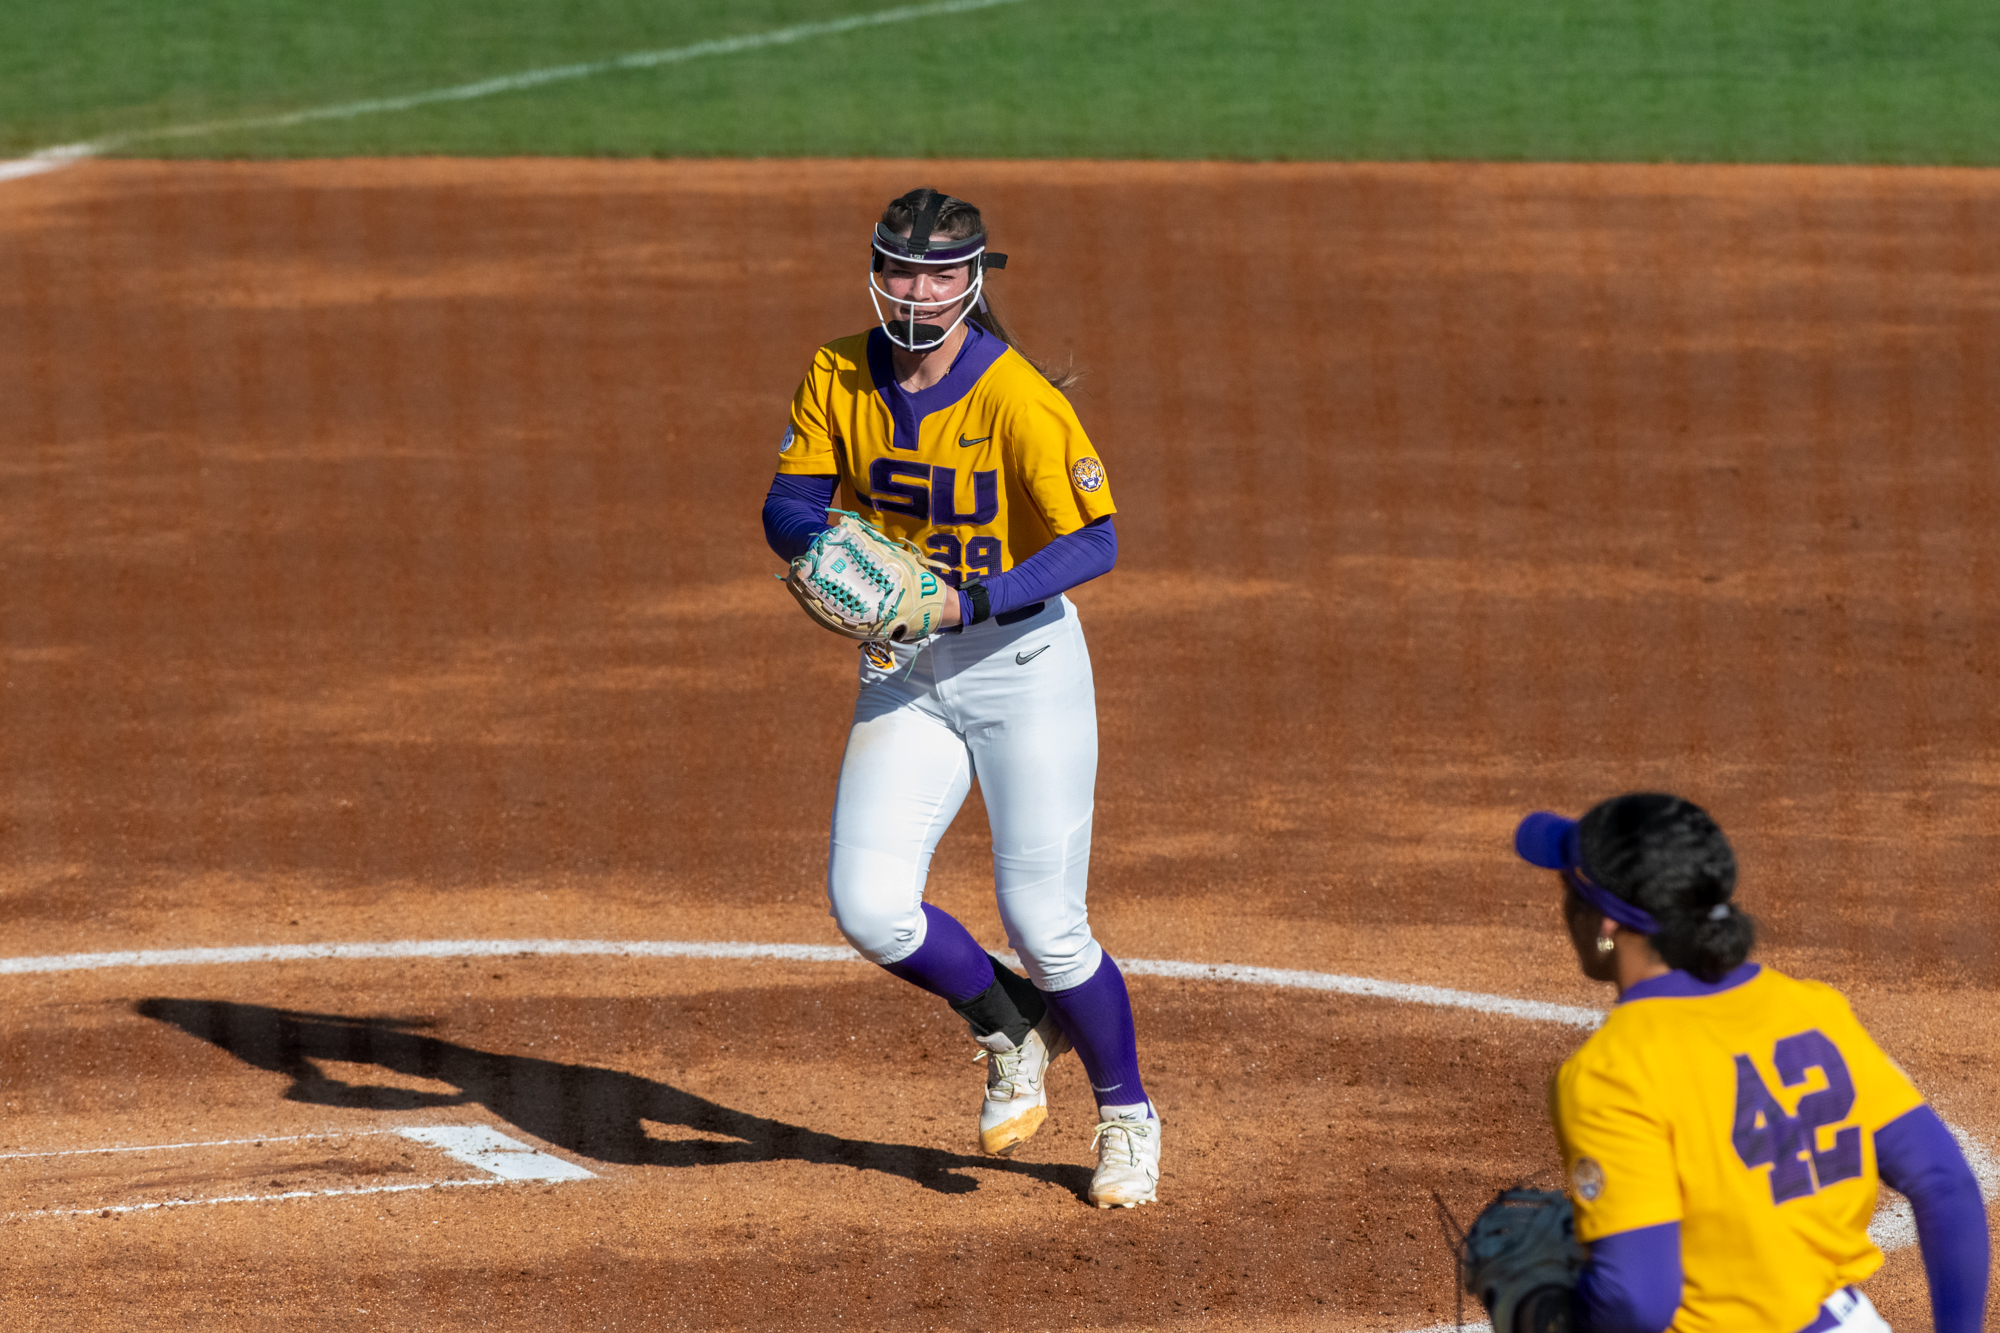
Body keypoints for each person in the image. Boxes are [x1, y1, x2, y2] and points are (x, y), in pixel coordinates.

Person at [760, 187, 1159, 1208]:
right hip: (906, 670)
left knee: (1045, 919)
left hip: (1022, 671)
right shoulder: (837, 371)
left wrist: (958, 598)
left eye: (940, 274)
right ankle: (1008, 1022)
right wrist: (823, 553)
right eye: (899, 269)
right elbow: (791, 502)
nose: (917, 290)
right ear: (874, 273)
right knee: (867, 903)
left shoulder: (1017, 396)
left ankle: (1125, 1115)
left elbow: (1093, 540)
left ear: (975, 281)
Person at [1512, 792, 1989, 1333]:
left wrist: (1550, 1311)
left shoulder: (1612, 1069)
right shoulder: (1811, 1010)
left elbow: (1638, 1302)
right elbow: (1945, 1181)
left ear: (1605, 921)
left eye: (1567, 888)